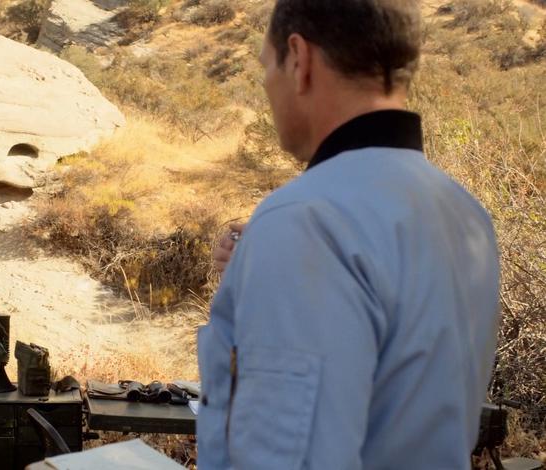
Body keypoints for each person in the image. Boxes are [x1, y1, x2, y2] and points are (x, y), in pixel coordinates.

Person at [198, 1, 501, 469]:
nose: (266, 85)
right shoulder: (465, 212)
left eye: (266, 65)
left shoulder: (303, 220)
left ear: (299, 60)